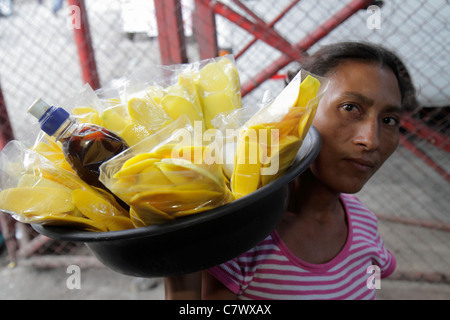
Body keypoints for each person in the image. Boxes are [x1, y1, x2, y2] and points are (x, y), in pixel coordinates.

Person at [164, 41, 417, 300]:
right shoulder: (242, 237)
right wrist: (178, 257)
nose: (371, 140)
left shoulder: (365, 224)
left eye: (389, 121)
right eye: (350, 108)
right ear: (298, 111)